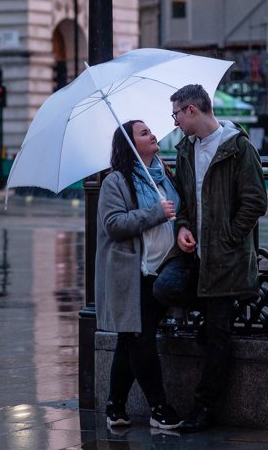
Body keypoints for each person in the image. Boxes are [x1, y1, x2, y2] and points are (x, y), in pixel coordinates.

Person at [153, 84, 268, 433]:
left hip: (227, 258)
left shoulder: (237, 148)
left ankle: (204, 408)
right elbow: (187, 199)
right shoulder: (186, 149)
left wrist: (230, 238)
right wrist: (184, 226)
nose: (173, 122)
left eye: (175, 114)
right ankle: (208, 312)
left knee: (219, 337)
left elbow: (255, 201)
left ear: (191, 110)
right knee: (163, 288)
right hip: (197, 255)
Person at [95, 120, 184, 431]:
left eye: (151, 131)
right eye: (144, 133)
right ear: (130, 145)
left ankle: (115, 405)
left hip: (166, 270)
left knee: (130, 339)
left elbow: (181, 211)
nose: (153, 135)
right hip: (134, 276)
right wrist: (156, 213)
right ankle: (159, 408)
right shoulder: (115, 182)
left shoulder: (164, 173)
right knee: (140, 338)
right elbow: (114, 225)